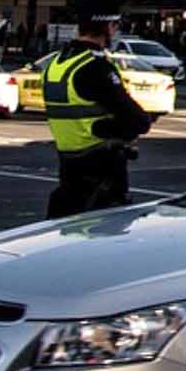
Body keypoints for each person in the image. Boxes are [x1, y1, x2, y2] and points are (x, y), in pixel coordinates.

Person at [44, 15, 155, 219]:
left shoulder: (57, 64)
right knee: (102, 237)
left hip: (68, 163)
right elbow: (137, 120)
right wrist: (118, 129)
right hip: (100, 167)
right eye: (115, 26)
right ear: (108, 28)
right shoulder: (95, 67)